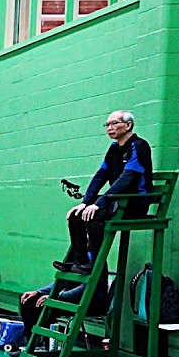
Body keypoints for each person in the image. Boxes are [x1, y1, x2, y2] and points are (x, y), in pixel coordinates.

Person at [55, 111, 153, 276]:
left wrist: (99, 203)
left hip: (133, 204)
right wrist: (85, 202)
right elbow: (100, 176)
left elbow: (127, 180)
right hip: (116, 201)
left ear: (128, 125)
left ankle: (96, 262)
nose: (109, 128)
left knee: (93, 215)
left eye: (114, 123)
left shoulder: (139, 145)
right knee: (76, 215)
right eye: (107, 125)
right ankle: (80, 261)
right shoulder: (114, 148)